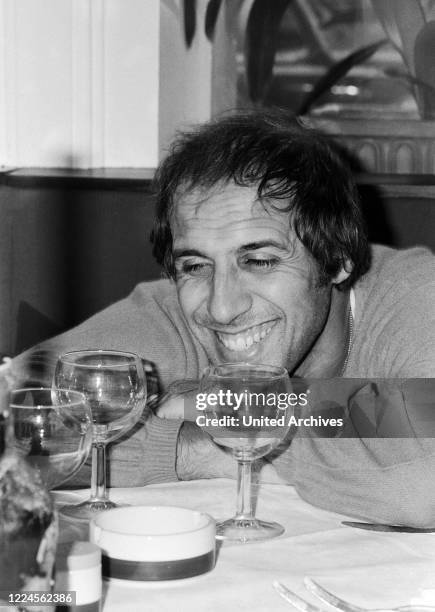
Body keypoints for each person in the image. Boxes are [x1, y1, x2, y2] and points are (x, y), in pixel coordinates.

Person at [13, 110, 435, 526]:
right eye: (196, 266)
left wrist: (229, 406)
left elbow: (424, 489)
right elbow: (15, 416)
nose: (221, 308)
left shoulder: (417, 296)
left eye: (260, 261)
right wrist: (197, 448)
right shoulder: (173, 313)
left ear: (338, 259)